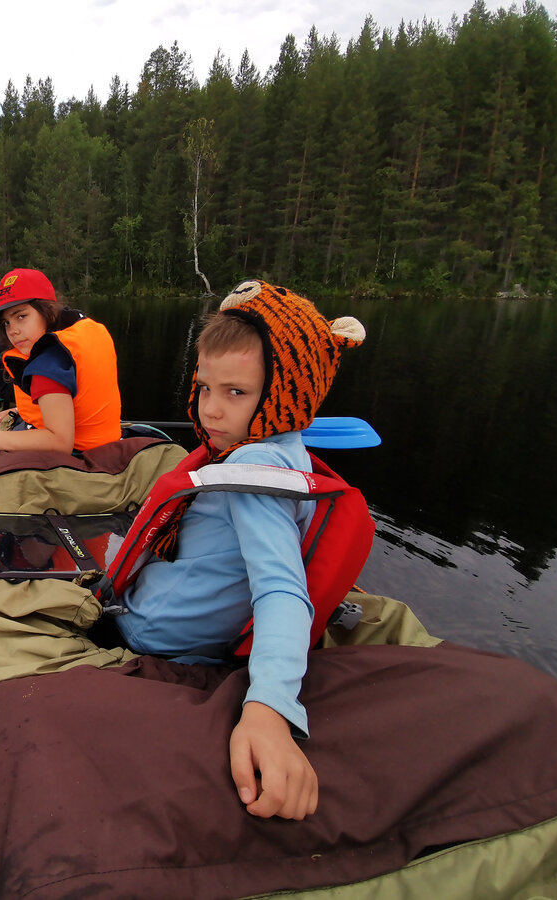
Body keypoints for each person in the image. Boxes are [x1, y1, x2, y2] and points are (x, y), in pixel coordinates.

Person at [114, 279, 366, 821]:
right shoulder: (283, 450)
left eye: (236, 393)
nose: (211, 410)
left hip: (155, 640)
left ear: (282, 394)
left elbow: (281, 588)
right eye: (205, 388)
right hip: (191, 631)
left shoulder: (255, 474)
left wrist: (270, 707)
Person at [0, 268, 122, 473]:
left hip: (78, 454)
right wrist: (20, 411)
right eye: (6, 323)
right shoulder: (79, 337)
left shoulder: (46, 365)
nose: (13, 330)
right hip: (105, 445)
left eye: (21, 316)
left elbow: (60, 442)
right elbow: (74, 400)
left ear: (47, 310)